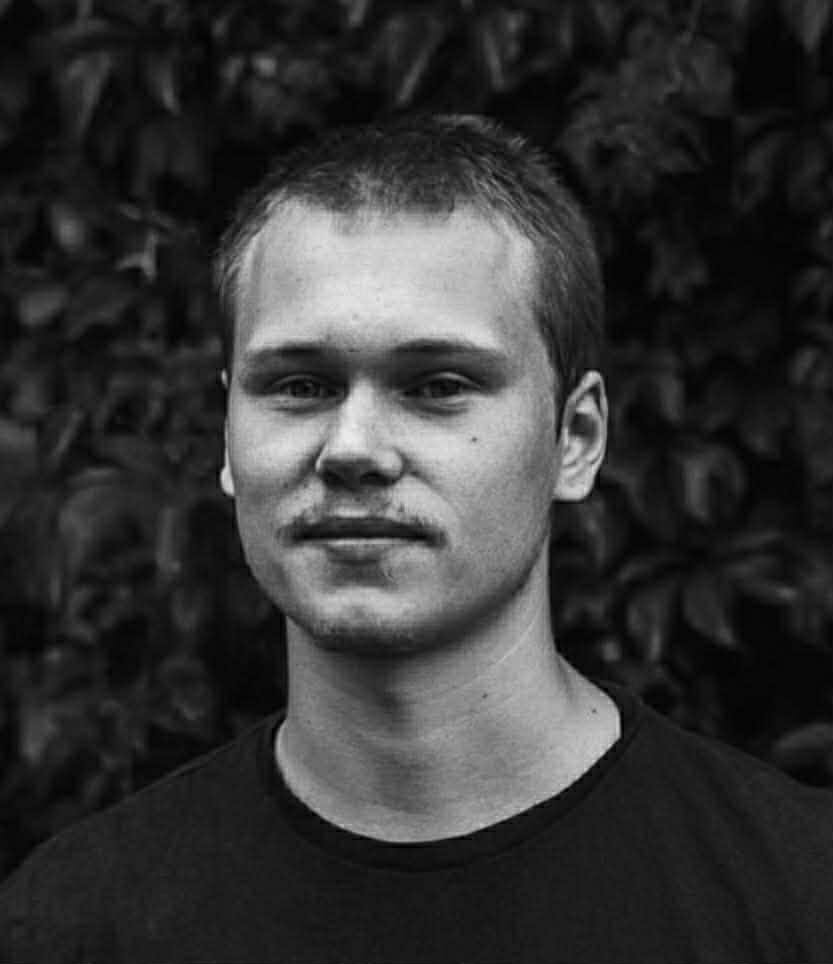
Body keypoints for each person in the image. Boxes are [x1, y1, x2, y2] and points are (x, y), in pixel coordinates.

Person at [1, 114, 831, 964]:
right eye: (299, 385)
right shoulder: (71, 924)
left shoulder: (800, 899)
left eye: (437, 384)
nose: (352, 447)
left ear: (575, 439)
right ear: (226, 435)